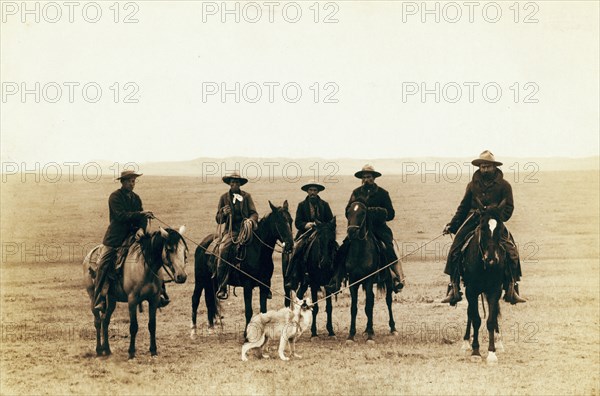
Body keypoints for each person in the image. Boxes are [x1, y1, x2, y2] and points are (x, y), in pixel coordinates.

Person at [441, 150, 526, 305]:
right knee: (454, 249)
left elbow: (509, 207)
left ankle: (512, 288)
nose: (485, 169)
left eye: (488, 166)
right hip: (473, 220)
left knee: (512, 250)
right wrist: (452, 226)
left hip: (495, 222)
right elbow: (463, 207)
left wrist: (497, 216)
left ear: (494, 167)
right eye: (482, 166)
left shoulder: (505, 186)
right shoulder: (472, 185)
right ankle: (453, 288)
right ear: (479, 167)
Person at [93, 170, 159, 312]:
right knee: (103, 263)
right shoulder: (114, 197)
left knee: (154, 253)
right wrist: (141, 213)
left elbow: (141, 218)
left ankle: (159, 293)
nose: (132, 183)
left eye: (134, 181)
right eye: (130, 181)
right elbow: (120, 216)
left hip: (134, 236)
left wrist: (141, 229)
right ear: (122, 182)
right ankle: (100, 298)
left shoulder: (136, 198)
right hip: (115, 238)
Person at [332, 165, 404, 293]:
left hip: (378, 229)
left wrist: (375, 211)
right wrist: (356, 215)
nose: (366, 179)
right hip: (360, 229)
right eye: (364, 177)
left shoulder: (382, 193)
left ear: (374, 178)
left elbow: (391, 214)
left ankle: (396, 278)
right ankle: (336, 280)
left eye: (369, 177)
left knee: (388, 248)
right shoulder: (356, 193)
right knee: (343, 249)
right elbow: (348, 210)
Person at [214, 172, 259, 300]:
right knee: (223, 249)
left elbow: (254, 213)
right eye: (232, 182)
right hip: (231, 231)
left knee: (261, 248)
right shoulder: (223, 198)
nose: (234, 184)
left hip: (246, 230)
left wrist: (250, 220)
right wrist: (223, 213)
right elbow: (218, 219)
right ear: (229, 184)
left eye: (236, 182)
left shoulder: (246, 196)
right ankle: (222, 286)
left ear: (240, 184)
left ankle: (263, 283)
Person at [285, 180, 334, 290]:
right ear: (307, 191)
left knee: (334, 248)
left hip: (322, 233)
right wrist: (307, 224)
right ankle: (292, 277)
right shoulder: (302, 205)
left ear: (318, 192)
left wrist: (323, 226)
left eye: (315, 190)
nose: (312, 192)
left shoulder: (325, 205)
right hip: (306, 233)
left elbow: (330, 221)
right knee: (296, 249)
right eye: (310, 190)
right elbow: (298, 222)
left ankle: (336, 278)